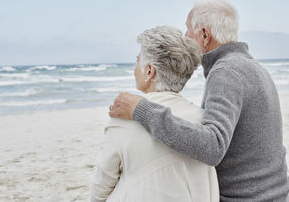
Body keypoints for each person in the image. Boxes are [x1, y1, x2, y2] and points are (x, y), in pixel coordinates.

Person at [109, 0, 289, 201]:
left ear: (204, 35)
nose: (185, 36)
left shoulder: (226, 72)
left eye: (188, 31)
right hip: (274, 193)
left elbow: (212, 147)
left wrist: (140, 109)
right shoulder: (251, 66)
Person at [91, 26, 219, 202]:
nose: (135, 69)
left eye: (137, 62)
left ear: (150, 71)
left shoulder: (124, 122)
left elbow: (100, 189)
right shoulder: (204, 121)